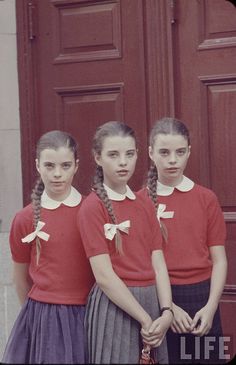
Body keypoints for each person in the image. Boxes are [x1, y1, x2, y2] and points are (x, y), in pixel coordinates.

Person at [77, 120, 173, 364]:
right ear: (97, 157)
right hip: (115, 306)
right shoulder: (92, 207)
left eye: (129, 154)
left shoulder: (145, 203)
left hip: (152, 303)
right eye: (113, 155)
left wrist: (166, 312)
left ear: (138, 155)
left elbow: (158, 263)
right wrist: (144, 319)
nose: (123, 162)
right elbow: (104, 276)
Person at [138, 117, 228, 364]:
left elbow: (219, 260)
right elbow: (140, 262)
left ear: (189, 151)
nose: (172, 160)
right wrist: (168, 307)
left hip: (202, 297)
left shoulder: (206, 198)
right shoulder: (138, 202)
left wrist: (211, 306)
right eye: (164, 152)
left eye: (179, 152)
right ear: (150, 153)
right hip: (157, 300)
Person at [2, 130, 95, 364]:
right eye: (49, 165)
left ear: (76, 165)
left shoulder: (91, 211)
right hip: (46, 317)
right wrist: (39, 316)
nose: (57, 174)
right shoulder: (25, 218)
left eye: (65, 166)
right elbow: (21, 278)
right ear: (37, 165)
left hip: (89, 313)